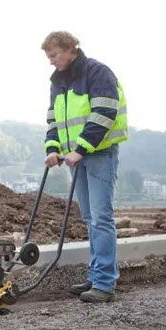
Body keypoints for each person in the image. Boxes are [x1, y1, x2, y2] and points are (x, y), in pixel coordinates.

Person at [42, 31, 128, 303]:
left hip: (99, 154)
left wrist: (80, 149)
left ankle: (104, 284)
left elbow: (105, 112)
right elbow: (53, 120)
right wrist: (53, 148)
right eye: (48, 56)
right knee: (90, 218)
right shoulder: (58, 81)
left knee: (102, 218)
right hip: (75, 157)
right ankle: (96, 275)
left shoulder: (97, 72)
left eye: (53, 55)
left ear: (70, 49)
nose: (51, 61)